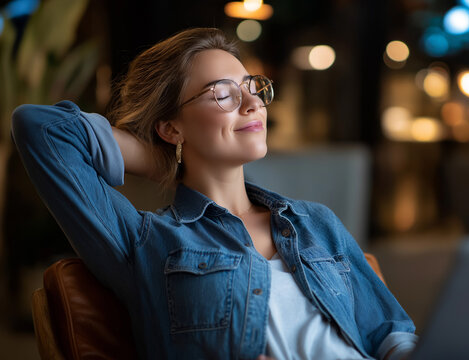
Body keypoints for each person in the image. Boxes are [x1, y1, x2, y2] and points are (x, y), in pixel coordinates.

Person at [12, 28, 417, 359]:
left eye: (251, 87)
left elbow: (392, 334)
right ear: (170, 127)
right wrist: (163, 158)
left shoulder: (315, 221)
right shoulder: (146, 241)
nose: (252, 104)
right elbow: (39, 127)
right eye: (222, 94)